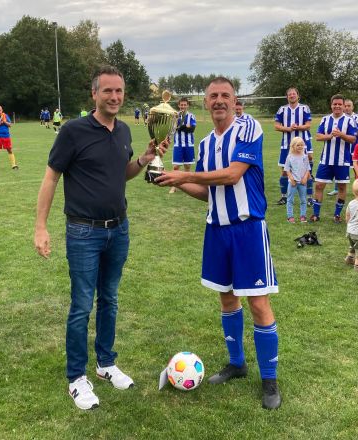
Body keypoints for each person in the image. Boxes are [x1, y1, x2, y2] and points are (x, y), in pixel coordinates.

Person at [34, 66, 168, 411]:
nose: (114, 97)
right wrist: (41, 226)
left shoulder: (123, 130)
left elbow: (121, 174)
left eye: (119, 91)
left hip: (118, 229)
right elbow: (51, 179)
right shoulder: (73, 131)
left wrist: (143, 159)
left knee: (109, 299)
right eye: (107, 91)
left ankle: (106, 363)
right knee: (81, 306)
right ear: (94, 94)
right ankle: (77, 377)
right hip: (83, 231)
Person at [156, 77, 281, 410]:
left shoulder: (248, 128)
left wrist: (185, 175)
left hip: (248, 229)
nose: (220, 100)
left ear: (234, 99)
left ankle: (269, 379)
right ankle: (237, 363)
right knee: (226, 299)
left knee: (257, 303)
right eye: (213, 96)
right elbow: (205, 192)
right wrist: (174, 179)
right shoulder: (205, 144)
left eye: (225, 95)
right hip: (217, 230)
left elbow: (232, 175)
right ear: (205, 103)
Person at [310, 94, 357, 223]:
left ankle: (337, 215)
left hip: (342, 161)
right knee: (319, 185)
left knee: (342, 187)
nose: (337, 106)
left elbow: (353, 139)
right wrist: (329, 136)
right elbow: (318, 136)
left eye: (339, 104)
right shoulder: (325, 119)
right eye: (334, 104)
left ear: (343, 106)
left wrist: (341, 134)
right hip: (326, 160)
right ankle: (316, 214)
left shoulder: (350, 120)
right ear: (331, 105)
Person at [274, 87, 313, 205]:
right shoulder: (282, 109)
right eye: (289, 94)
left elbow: (308, 125)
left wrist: (298, 127)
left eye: (294, 94)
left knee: (306, 171)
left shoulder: (304, 108)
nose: (292, 96)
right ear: (287, 97)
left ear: (298, 95)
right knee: (284, 171)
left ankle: (310, 198)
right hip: (286, 145)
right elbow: (276, 126)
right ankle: (284, 197)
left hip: (301, 144)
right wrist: (288, 128)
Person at [327, 99, 358, 195]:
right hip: (343, 149)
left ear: (353, 107)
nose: (347, 108)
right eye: (346, 106)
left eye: (349, 106)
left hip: (355, 148)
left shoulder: (356, 118)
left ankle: (356, 188)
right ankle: (336, 189)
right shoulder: (340, 119)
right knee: (339, 167)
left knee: (355, 168)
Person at [169, 97, 197, 194]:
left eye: (185, 105)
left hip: (189, 144)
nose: (183, 106)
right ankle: (174, 186)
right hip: (178, 145)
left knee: (187, 166)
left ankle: (187, 185)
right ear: (179, 105)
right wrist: (184, 127)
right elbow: (173, 129)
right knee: (176, 166)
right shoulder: (175, 116)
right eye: (181, 104)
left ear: (188, 105)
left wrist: (180, 127)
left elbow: (191, 129)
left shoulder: (191, 116)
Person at [284, 137, 311, 223]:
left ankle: (303, 216)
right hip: (293, 182)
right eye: (298, 145)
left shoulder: (305, 157)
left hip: (302, 182)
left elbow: (307, 169)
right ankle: (290, 216)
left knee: (303, 200)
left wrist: (305, 178)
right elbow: (287, 169)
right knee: (290, 199)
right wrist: (291, 179)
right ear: (293, 146)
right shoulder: (289, 157)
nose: (300, 147)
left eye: (301, 145)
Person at [0, 105, 18, 171]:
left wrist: (4, 121)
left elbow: (10, 125)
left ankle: (13, 165)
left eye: (0, 110)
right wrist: (0, 122)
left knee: (9, 150)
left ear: (2, 110)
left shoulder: (5, 116)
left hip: (6, 136)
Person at [344, 179, 358, 270]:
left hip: (350, 231)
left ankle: (349, 258)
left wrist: (348, 225)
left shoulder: (351, 203)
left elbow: (347, 217)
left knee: (352, 246)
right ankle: (357, 265)